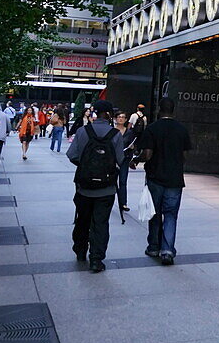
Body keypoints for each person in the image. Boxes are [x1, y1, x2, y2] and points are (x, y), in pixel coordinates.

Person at [66, 99, 123, 273]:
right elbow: (120, 160)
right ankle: (96, 259)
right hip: (106, 188)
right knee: (101, 223)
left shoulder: (83, 131)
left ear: (96, 112)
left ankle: (80, 250)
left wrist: (86, 167)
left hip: (84, 187)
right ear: (108, 114)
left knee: (82, 219)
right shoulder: (115, 134)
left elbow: (72, 155)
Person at [135, 97, 192, 266]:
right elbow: (185, 156)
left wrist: (136, 160)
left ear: (160, 109)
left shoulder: (152, 129)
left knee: (155, 213)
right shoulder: (182, 130)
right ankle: (167, 250)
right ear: (173, 110)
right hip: (175, 179)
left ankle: (153, 247)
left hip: (155, 178)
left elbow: (147, 154)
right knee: (171, 215)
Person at [113, 110, 134, 213]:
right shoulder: (112, 131)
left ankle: (123, 203)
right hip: (113, 160)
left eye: (123, 117)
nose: (121, 118)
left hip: (124, 159)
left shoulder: (129, 132)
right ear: (115, 118)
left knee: (123, 181)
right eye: (119, 117)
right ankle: (109, 201)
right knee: (112, 181)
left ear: (126, 120)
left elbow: (132, 145)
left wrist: (132, 148)